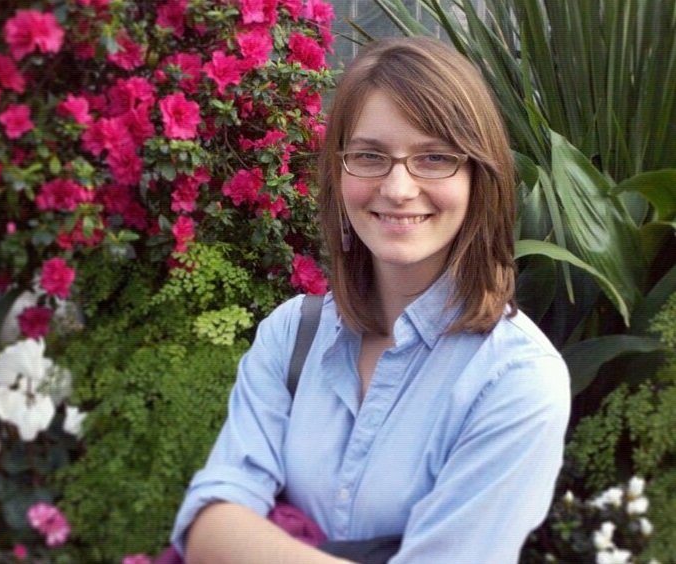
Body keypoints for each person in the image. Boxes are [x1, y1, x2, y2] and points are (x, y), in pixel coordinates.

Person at [170, 36, 571, 564]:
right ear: (338, 172)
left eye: (434, 157)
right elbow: (208, 526)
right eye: (369, 156)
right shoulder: (292, 334)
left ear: (480, 177)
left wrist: (253, 545)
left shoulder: (515, 379)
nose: (398, 189)